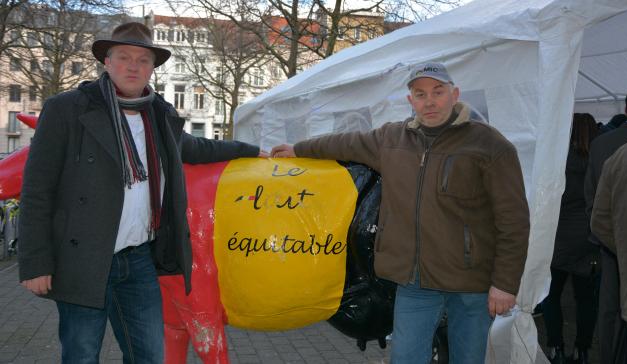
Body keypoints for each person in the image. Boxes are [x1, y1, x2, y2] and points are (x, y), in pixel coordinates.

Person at [17, 22, 265, 363]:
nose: (133, 66)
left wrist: (254, 151)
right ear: (107, 61)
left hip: (139, 260)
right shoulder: (67, 108)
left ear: (152, 67)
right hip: (82, 260)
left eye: (143, 59)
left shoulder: (159, 114)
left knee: (150, 355)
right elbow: (37, 190)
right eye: (124, 57)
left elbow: (195, 148)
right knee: (82, 355)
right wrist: (35, 263)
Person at [271, 62, 530, 363]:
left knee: (468, 359)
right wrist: (298, 149)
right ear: (411, 100)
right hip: (414, 280)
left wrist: (505, 283)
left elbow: (513, 220)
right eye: (420, 94)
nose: (429, 101)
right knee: (405, 358)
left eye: (438, 91)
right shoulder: (391, 139)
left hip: (470, 283)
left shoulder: (490, 145)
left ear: (454, 93)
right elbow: (344, 143)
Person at [584, 87, 627, 364]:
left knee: (611, 310)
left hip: (617, 249)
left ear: (626, 111)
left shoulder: (602, 145)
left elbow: (594, 208)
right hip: (626, 249)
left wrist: (622, 245)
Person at [543, 113, 599, 364]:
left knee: (551, 295)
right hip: (588, 237)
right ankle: (582, 350)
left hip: (557, 236)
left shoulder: (558, 161)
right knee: (585, 299)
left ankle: (555, 346)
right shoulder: (598, 162)